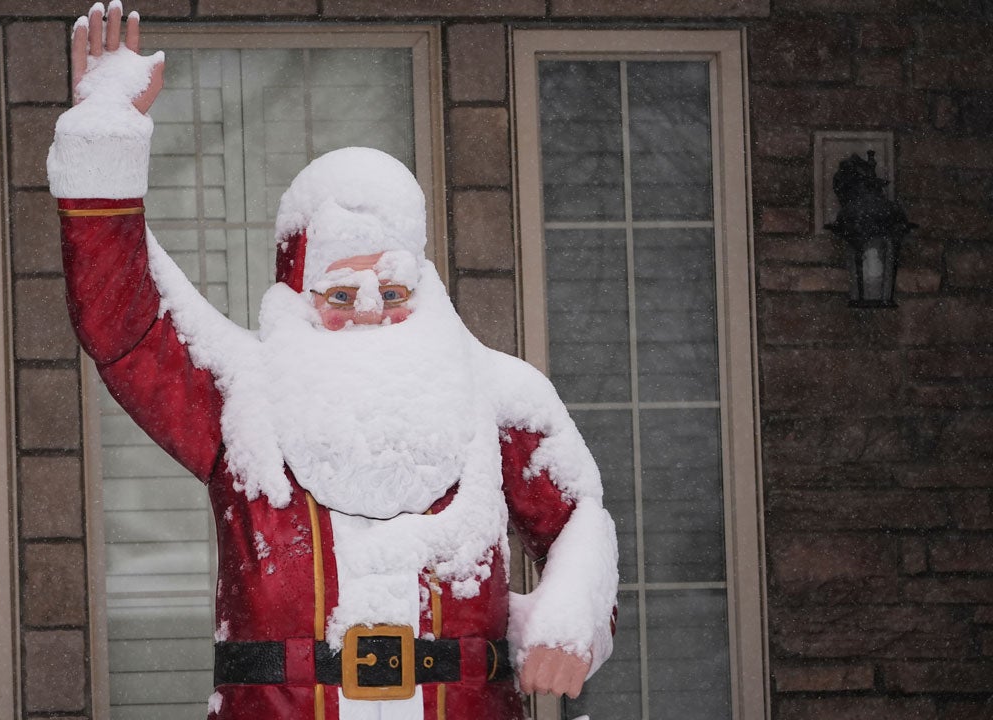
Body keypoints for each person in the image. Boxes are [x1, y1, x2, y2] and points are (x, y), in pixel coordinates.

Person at [47, 4, 619, 719]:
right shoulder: (242, 401)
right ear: (299, 293)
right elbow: (125, 321)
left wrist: (568, 619)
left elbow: (577, 518)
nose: (371, 307)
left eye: (392, 286)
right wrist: (106, 136)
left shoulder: (497, 396)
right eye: (341, 291)